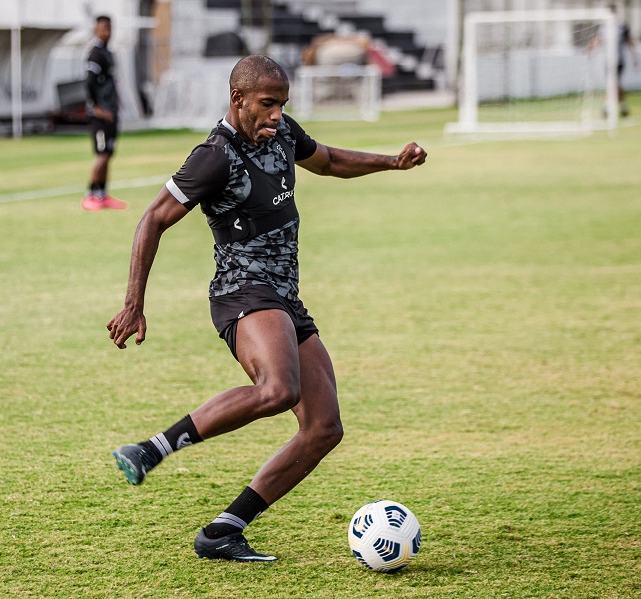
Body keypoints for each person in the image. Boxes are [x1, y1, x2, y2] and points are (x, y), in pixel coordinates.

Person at [107, 55, 426, 562]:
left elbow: (328, 160)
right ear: (238, 100)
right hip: (243, 292)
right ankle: (151, 449)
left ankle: (224, 530)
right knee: (278, 389)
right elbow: (152, 220)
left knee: (324, 428)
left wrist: (391, 161)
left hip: (285, 296)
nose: (277, 114)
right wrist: (133, 304)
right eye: (267, 104)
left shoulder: (280, 134)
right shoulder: (214, 156)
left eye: (282, 104)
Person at [82, 15, 127, 211]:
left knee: (108, 154)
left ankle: (102, 194)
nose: (107, 32)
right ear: (96, 30)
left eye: (109, 28)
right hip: (101, 115)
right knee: (101, 155)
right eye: (103, 29)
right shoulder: (95, 54)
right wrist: (97, 108)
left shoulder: (108, 52)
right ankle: (90, 194)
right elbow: (89, 83)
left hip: (112, 112)